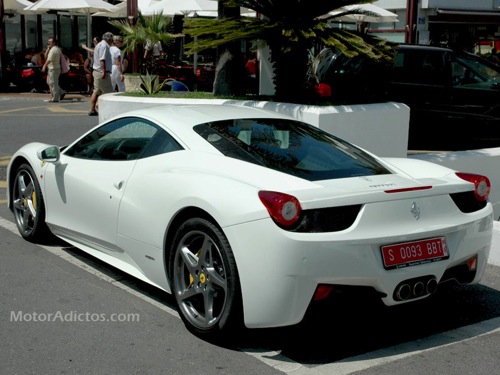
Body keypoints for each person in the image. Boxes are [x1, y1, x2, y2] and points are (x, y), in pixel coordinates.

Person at [89, 32, 114, 116]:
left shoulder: (99, 45)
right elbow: (102, 59)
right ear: (109, 39)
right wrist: (103, 71)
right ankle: (109, 111)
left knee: (96, 91)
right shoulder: (104, 46)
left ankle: (92, 109)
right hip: (101, 72)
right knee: (109, 92)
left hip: (96, 71)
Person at [41, 37, 62, 102]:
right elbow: (46, 56)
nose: (48, 43)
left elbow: (49, 59)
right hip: (52, 68)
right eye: (48, 42)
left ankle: (55, 98)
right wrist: (48, 49)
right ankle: (61, 92)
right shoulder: (53, 49)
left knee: (53, 83)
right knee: (50, 82)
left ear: (54, 43)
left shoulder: (54, 50)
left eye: (50, 42)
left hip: (54, 68)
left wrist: (44, 66)